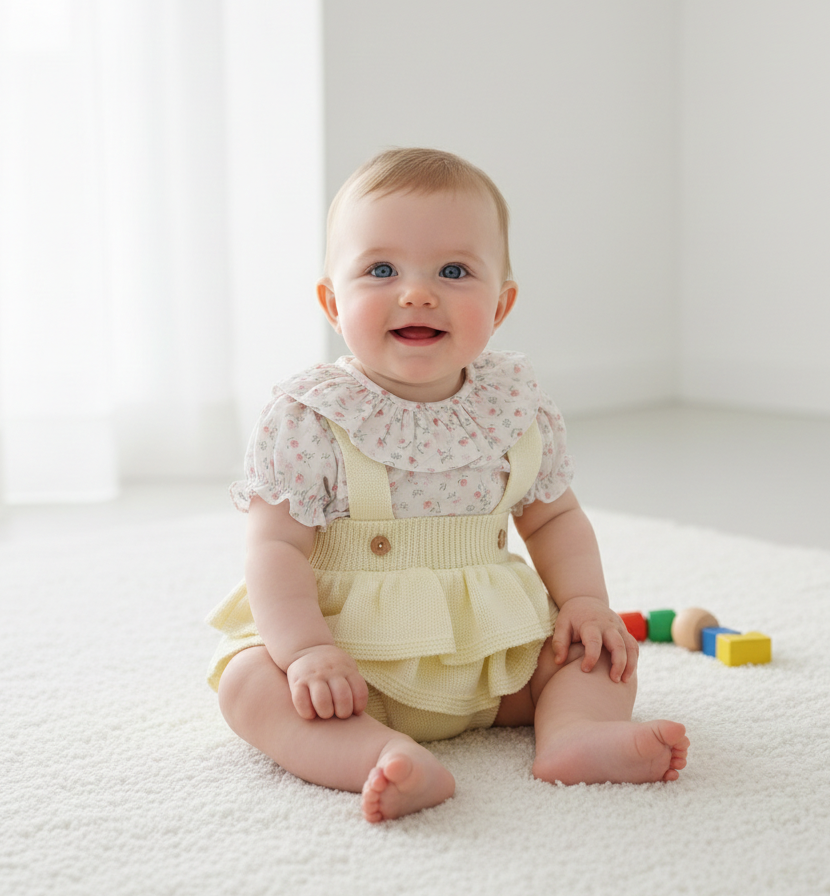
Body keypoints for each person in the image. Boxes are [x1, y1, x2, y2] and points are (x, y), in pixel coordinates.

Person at [206, 147, 689, 823]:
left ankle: (575, 736)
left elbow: (553, 520)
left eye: (454, 271)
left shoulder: (515, 408)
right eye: (380, 269)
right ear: (331, 303)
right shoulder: (310, 417)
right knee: (248, 685)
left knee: (596, 657)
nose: (417, 292)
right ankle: (374, 757)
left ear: (501, 305)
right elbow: (274, 549)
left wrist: (585, 601)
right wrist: (308, 651)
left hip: (492, 663)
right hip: (348, 663)